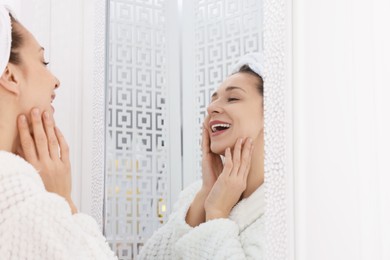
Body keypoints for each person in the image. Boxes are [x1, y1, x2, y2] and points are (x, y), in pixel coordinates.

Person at [0, 6, 117, 259]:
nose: (55, 80)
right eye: (43, 61)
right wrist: (64, 201)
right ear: (9, 75)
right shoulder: (19, 199)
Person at [138, 53, 265, 259]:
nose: (211, 108)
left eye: (233, 98)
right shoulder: (195, 194)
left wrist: (216, 214)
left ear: (272, 112)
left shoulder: (280, 209)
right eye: (213, 99)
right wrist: (206, 194)